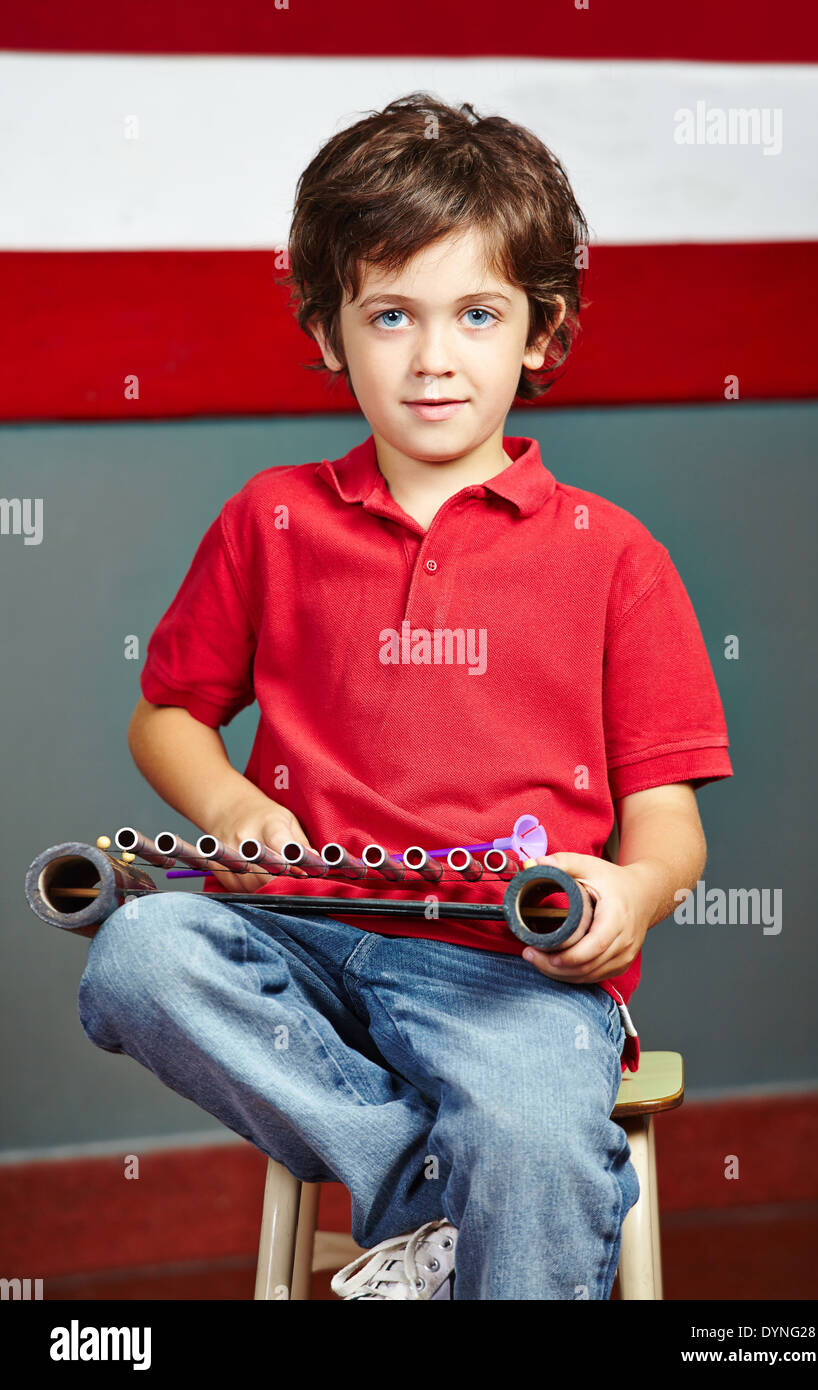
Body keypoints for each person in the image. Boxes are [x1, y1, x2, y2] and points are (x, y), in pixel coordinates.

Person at [77, 92, 733, 1300]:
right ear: (329, 332)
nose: (433, 357)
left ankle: (474, 1210)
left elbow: (668, 821)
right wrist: (226, 804)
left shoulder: (613, 556)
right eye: (390, 315)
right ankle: (429, 1201)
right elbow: (165, 713)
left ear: (540, 333)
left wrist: (634, 892)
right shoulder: (270, 519)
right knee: (135, 956)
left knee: (534, 1129)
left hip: (507, 968)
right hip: (305, 937)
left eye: (476, 314)